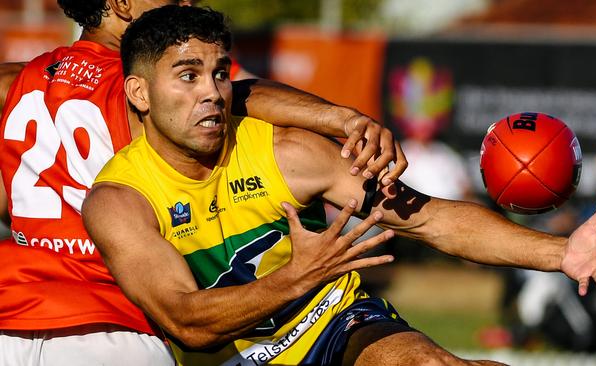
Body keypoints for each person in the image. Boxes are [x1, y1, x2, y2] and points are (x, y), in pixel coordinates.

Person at [82, 6, 596, 365]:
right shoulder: (119, 200)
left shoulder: (286, 152)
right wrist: (298, 275)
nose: (213, 92)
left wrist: (561, 252)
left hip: (334, 325)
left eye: (221, 73)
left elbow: (429, 218)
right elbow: (186, 322)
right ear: (139, 93)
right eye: (188, 75)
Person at [0, 1, 407, 365]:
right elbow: (246, 95)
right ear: (121, 4)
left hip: (11, 314)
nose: (187, 3)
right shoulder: (141, 80)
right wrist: (340, 118)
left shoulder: (19, 82)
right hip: (111, 321)